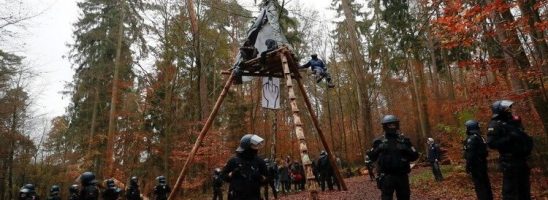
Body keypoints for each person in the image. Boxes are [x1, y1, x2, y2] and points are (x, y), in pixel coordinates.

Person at [486, 100, 533, 200]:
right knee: (510, 192)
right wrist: (509, 138)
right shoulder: (495, 124)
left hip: (522, 161)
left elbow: (523, 137)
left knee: (524, 190)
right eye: (506, 108)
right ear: (500, 110)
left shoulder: (513, 122)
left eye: (509, 108)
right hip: (509, 162)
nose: (509, 110)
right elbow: (491, 143)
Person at [367, 115, 419, 200]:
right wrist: (379, 148)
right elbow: (372, 156)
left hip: (402, 176)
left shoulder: (405, 140)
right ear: (385, 126)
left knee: (404, 197)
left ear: (397, 125)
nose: (392, 127)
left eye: (393, 124)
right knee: (386, 198)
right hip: (387, 176)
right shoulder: (379, 141)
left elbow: (415, 155)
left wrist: (405, 149)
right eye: (389, 125)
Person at [221, 134, 268, 200]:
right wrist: (232, 174)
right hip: (236, 196)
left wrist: (260, 177)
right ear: (247, 146)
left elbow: (267, 178)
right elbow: (223, 176)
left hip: (254, 196)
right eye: (254, 145)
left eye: (257, 146)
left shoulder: (260, 161)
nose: (256, 148)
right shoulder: (233, 161)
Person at [463, 120, 493, 200]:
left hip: (476, 166)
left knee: (480, 186)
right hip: (482, 164)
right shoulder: (480, 137)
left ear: (470, 127)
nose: (465, 129)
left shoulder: (472, 138)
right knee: (485, 184)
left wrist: (468, 166)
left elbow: (471, 154)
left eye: (466, 127)